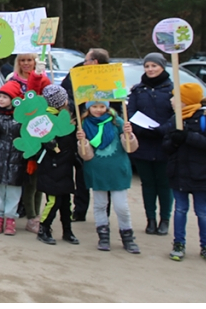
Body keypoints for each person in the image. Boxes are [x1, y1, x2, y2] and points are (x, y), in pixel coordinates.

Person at [162, 83, 206, 265]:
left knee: (202, 211)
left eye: (175, 98)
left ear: (185, 101)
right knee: (180, 209)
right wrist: (173, 142)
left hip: (201, 173)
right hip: (179, 172)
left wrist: (187, 136)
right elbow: (166, 146)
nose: (171, 101)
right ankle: (179, 243)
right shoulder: (176, 119)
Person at [76, 100, 140, 254]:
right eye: (94, 107)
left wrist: (129, 134)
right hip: (97, 170)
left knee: (121, 206)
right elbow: (86, 156)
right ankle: (103, 235)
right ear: (88, 108)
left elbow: (130, 149)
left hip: (118, 170)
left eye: (102, 106)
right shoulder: (84, 124)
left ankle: (127, 235)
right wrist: (82, 141)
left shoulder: (117, 122)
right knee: (100, 204)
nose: (98, 110)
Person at [127, 52, 174, 236]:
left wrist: (163, 129)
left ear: (162, 66)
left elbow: (177, 114)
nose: (150, 69)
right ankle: (151, 220)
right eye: (147, 66)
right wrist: (141, 130)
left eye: (154, 66)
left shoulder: (171, 89)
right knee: (148, 184)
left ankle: (165, 219)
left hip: (164, 143)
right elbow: (130, 113)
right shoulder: (138, 90)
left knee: (164, 183)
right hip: (143, 143)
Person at [2, 53, 51, 233]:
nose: (26, 64)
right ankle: (13, 211)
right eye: (22, 60)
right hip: (17, 131)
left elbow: (47, 97)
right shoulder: (12, 79)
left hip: (37, 132)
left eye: (29, 60)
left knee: (34, 178)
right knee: (18, 176)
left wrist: (40, 77)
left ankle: (33, 215)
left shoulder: (43, 78)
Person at [61, 47, 110, 222]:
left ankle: (105, 211)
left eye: (87, 60)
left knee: (104, 169)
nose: (84, 62)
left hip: (103, 128)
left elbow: (115, 101)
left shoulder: (110, 76)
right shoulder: (77, 72)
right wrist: (74, 107)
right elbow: (65, 94)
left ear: (95, 62)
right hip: (80, 125)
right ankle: (80, 209)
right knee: (81, 168)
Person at [35, 85, 79, 245]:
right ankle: (44, 228)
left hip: (65, 166)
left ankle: (67, 230)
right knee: (53, 201)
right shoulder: (46, 119)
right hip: (51, 166)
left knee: (66, 201)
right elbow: (42, 139)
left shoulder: (66, 116)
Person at [0, 84, 26, 235]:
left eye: (5, 97)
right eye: (0, 97)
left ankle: (10, 219)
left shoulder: (21, 117)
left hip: (16, 159)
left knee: (13, 192)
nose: (1, 100)